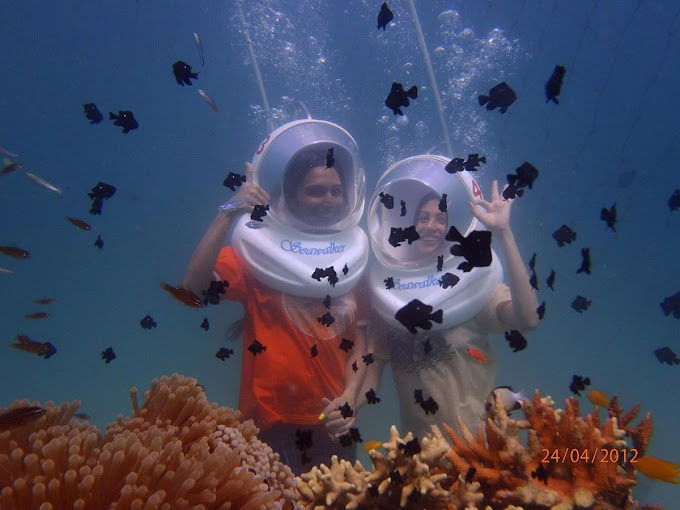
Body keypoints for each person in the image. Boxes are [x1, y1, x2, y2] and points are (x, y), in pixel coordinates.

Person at [182, 120, 369, 473]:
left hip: (335, 420)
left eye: (336, 191)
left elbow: (362, 342)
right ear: (289, 195)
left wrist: (350, 398)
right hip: (271, 423)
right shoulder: (259, 255)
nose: (328, 200)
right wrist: (228, 213)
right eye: (315, 191)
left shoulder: (353, 261)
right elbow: (193, 286)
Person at [352, 154, 539, 440]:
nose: (432, 226)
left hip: (478, 444)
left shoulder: (468, 281)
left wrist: (504, 235)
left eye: (440, 218)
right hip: (420, 451)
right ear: (408, 223)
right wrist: (349, 406)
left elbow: (526, 319)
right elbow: (372, 375)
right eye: (423, 218)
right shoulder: (388, 295)